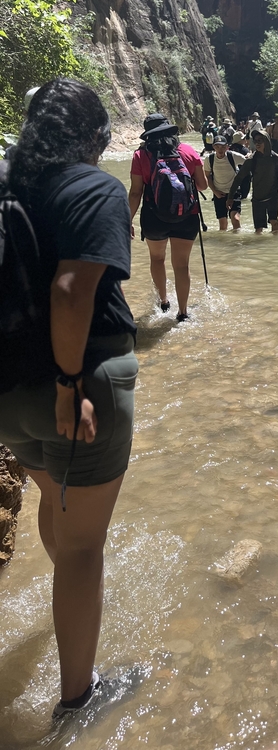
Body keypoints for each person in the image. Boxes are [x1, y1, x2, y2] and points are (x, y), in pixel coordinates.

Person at [0, 78, 138, 721]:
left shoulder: (5, 185)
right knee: (85, 547)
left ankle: (65, 598)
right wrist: (67, 385)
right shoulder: (93, 188)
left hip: (8, 395)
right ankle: (79, 699)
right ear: (91, 136)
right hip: (79, 388)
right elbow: (69, 292)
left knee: (54, 495)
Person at [128, 113, 208, 322]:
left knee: (157, 259)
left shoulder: (140, 156)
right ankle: (182, 312)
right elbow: (202, 186)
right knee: (181, 265)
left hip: (154, 217)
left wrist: (126, 220)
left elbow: (136, 192)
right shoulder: (188, 151)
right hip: (187, 216)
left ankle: (164, 302)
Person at [226, 130, 278, 233]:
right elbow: (239, 178)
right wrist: (230, 197)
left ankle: (276, 245)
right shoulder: (251, 160)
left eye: (260, 140)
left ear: (267, 141)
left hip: (273, 196)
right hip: (257, 199)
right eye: (255, 141)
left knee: (274, 222)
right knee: (258, 229)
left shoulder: (276, 159)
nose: (257, 143)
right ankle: (258, 248)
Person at [204, 135, 246, 231]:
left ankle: (237, 243)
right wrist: (215, 192)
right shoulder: (209, 159)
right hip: (219, 193)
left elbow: (249, 163)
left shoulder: (233, 156)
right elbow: (207, 177)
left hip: (234, 192)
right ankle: (224, 245)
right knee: (223, 225)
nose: (220, 150)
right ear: (213, 147)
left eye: (223, 147)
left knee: (235, 219)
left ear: (227, 146)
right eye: (217, 147)